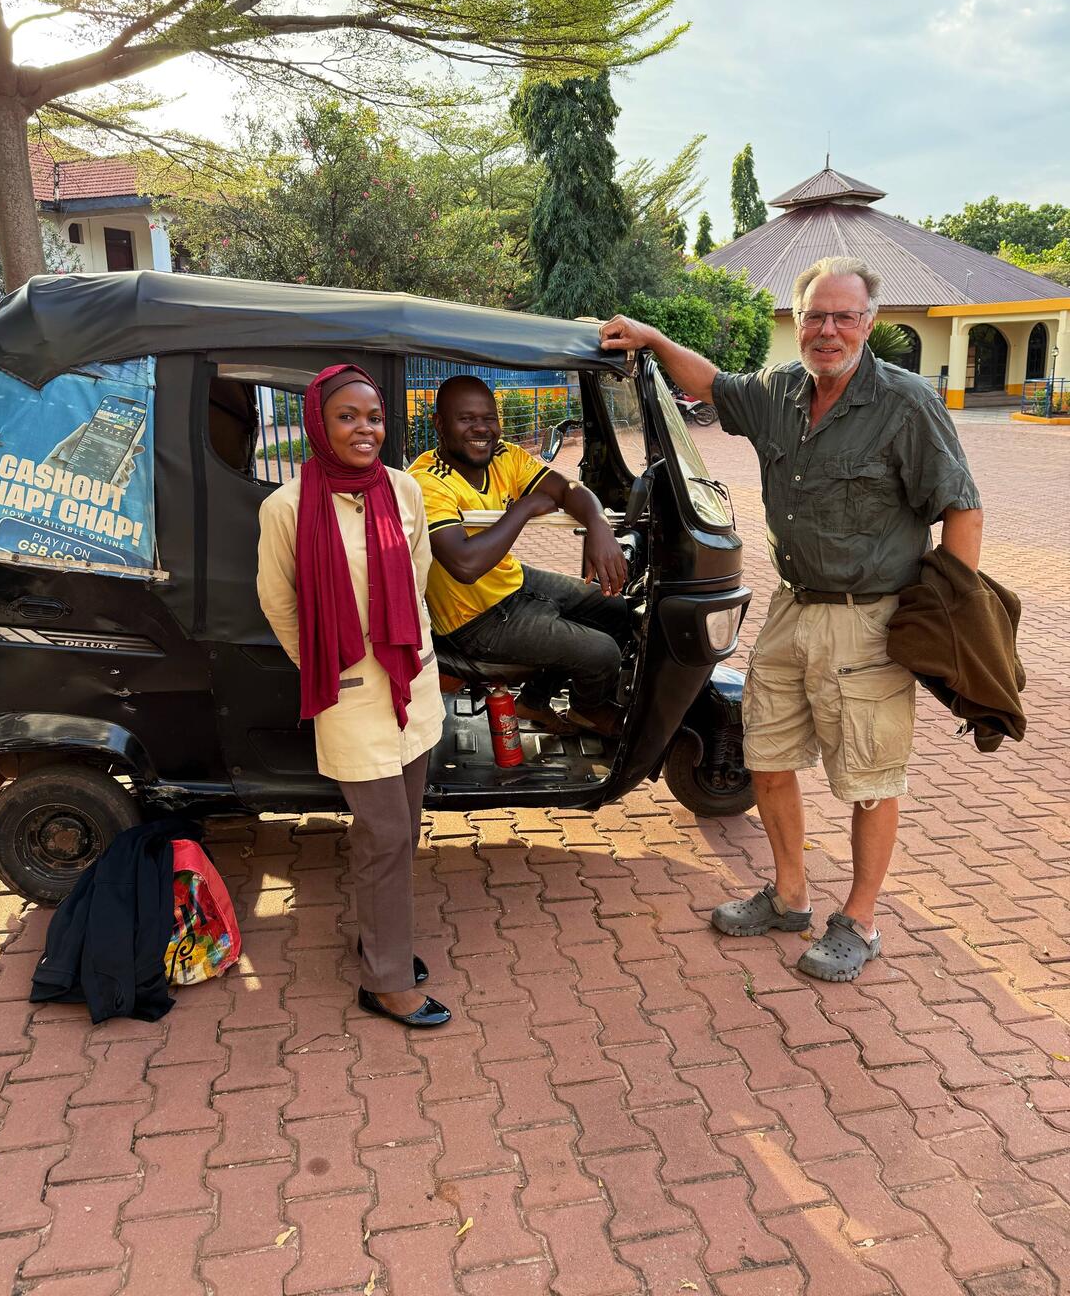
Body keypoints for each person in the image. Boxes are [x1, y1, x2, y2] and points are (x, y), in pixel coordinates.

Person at [600, 257, 984, 981]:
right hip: (791, 608)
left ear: (870, 323)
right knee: (767, 758)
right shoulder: (779, 391)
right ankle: (789, 894)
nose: (827, 330)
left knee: (870, 778)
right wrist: (652, 338)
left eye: (843, 316)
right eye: (815, 315)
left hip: (870, 619)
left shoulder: (905, 404)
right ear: (799, 321)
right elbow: (709, 384)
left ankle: (861, 921)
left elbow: (962, 509)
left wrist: (949, 619)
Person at [257, 364, 450, 1027]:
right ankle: (386, 980)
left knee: (399, 831)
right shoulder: (286, 507)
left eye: (373, 417)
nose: (364, 428)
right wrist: (320, 663)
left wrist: (410, 650)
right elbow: (278, 600)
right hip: (347, 693)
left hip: (408, 682)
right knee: (387, 832)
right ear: (318, 422)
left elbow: (418, 572)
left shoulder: (402, 489)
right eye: (347, 416)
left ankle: (379, 943)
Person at [407, 376, 630, 735]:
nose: (482, 428)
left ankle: (533, 703)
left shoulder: (505, 456)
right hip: (473, 619)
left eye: (489, 418)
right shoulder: (427, 482)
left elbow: (568, 488)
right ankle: (590, 710)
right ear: (439, 424)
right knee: (602, 653)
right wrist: (523, 508)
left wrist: (598, 524)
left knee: (614, 610)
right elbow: (466, 565)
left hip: (512, 582)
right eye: (466, 419)